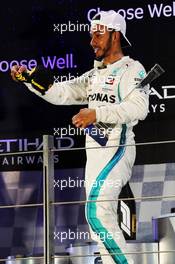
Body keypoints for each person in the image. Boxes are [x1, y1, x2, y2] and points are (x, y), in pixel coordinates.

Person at [11, 10, 149, 264]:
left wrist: (96, 113)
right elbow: (62, 93)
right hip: (95, 154)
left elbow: (140, 108)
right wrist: (30, 80)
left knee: (97, 213)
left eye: (98, 33)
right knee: (99, 217)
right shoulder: (95, 74)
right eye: (91, 34)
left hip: (117, 149)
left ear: (115, 35)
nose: (92, 40)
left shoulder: (132, 69)